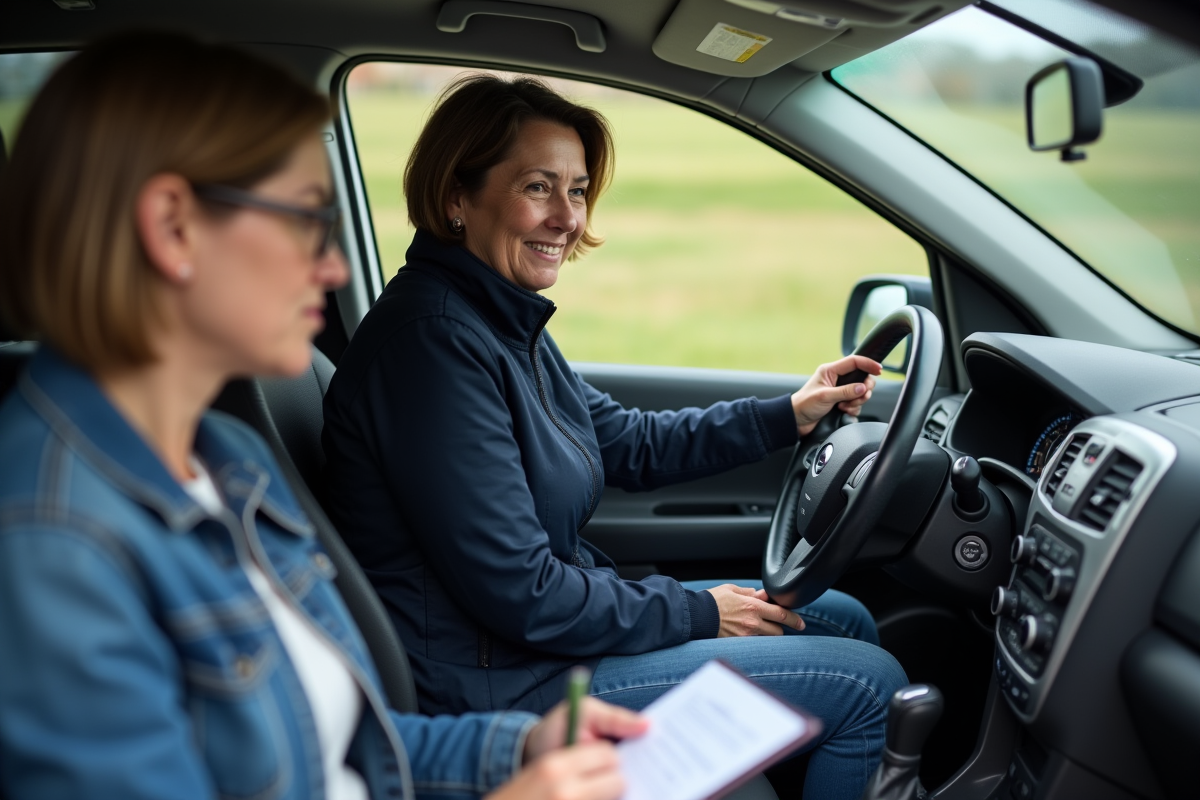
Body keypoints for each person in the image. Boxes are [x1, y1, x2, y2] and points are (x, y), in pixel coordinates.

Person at [0, 34, 648, 800]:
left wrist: (511, 747)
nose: (335, 266)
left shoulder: (228, 460)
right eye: (305, 218)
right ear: (173, 228)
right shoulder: (54, 540)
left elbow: (339, 746)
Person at [321, 74, 909, 800]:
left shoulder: (499, 319)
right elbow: (523, 591)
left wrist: (787, 415)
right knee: (869, 684)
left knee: (841, 616)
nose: (567, 217)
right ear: (455, 198)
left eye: (577, 190)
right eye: (538, 187)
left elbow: (626, 441)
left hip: (528, 648)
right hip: (502, 684)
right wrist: (700, 612)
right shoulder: (434, 346)